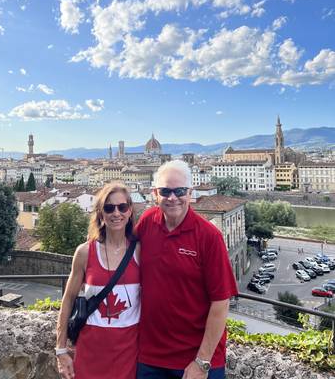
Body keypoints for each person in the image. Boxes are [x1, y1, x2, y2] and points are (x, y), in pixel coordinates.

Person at [136, 160, 238, 379]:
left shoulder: (209, 237)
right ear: (155, 193)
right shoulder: (146, 222)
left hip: (196, 361)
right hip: (150, 357)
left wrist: (201, 362)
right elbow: (122, 254)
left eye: (180, 191)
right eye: (165, 191)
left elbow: (221, 302)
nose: (173, 198)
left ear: (190, 192)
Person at [56, 182, 140, 379]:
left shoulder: (140, 251)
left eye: (122, 207)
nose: (116, 213)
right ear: (101, 214)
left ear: (130, 212)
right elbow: (68, 300)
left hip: (128, 353)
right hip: (90, 351)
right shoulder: (85, 252)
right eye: (109, 208)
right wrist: (60, 350)